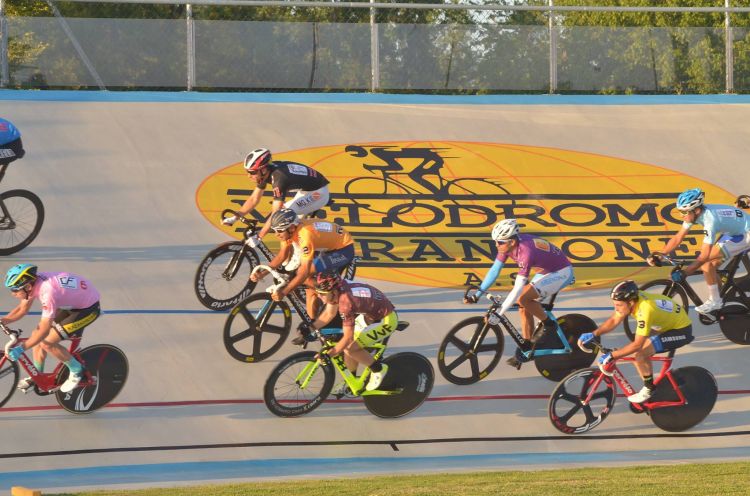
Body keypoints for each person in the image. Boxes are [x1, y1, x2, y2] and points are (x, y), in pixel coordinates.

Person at [464, 218, 575, 366]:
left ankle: (549, 326)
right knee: (523, 307)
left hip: (561, 272)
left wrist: (500, 313)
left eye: (500, 242)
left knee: (523, 299)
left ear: (512, 241)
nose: (497, 245)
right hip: (546, 270)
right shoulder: (507, 246)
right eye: (496, 241)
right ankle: (527, 346)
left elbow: (517, 288)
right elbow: (494, 270)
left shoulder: (525, 252)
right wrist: (477, 295)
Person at [578, 280, 694, 403]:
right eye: (615, 304)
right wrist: (594, 333)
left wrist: (612, 355)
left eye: (619, 305)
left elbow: (637, 345)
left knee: (639, 354)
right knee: (636, 354)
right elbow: (614, 319)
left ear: (631, 302)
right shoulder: (632, 301)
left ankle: (649, 388)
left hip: (680, 331)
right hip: (663, 325)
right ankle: (659, 378)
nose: (616, 308)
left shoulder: (645, 310)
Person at [648, 187, 750, 314]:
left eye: (684, 212)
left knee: (707, 264)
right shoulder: (694, 215)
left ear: (696, 210)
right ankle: (719, 295)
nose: (681, 215)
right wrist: (662, 254)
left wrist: (685, 273)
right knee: (711, 264)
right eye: (680, 211)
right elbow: (678, 237)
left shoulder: (710, 221)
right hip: (734, 231)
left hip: (746, 233)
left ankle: (715, 301)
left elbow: (704, 256)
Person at [1, 264, 101, 394]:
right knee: (35, 336)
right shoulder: (33, 283)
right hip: (73, 302)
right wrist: (3, 321)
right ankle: (37, 376)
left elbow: (44, 330)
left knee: (46, 342)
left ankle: (77, 370)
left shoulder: (47, 293)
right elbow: (22, 309)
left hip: (88, 309)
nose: (12, 294)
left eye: (15, 290)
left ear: (27, 287)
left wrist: (21, 348)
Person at [301, 271, 397, 396]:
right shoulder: (338, 290)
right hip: (370, 315)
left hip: (386, 320)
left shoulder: (345, 303)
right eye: (318, 292)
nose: (319, 296)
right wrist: (310, 328)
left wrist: (329, 355)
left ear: (333, 292)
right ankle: (352, 380)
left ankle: (378, 369)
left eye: (322, 294)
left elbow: (347, 338)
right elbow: (328, 314)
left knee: (350, 347)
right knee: (348, 347)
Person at [252, 208, 355, 319]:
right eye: (275, 230)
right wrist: (263, 273)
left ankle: (338, 299)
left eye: (279, 231)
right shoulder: (288, 232)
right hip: (325, 246)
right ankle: (314, 325)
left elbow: (304, 271)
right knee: (309, 289)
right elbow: (282, 255)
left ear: (291, 228)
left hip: (343, 249)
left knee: (305, 276)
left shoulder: (305, 236)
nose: (276, 234)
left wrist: (284, 292)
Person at [222, 148, 330, 244]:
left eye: (252, 172)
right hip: (306, 190)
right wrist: (235, 217)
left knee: (284, 216)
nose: (249, 176)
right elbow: (254, 199)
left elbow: (276, 213)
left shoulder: (279, 179)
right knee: (290, 220)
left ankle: (298, 255)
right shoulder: (266, 173)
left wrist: (260, 236)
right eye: (248, 172)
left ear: (263, 170)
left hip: (318, 193)